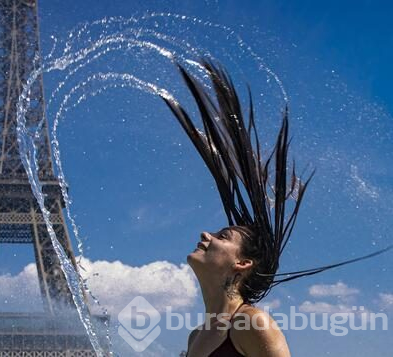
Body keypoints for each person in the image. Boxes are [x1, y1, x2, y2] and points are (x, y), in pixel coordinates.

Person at [161, 61, 392, 357]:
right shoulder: (197, 336)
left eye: (223, 235)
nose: (206, 235)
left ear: (242, 263)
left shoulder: (252, 322)